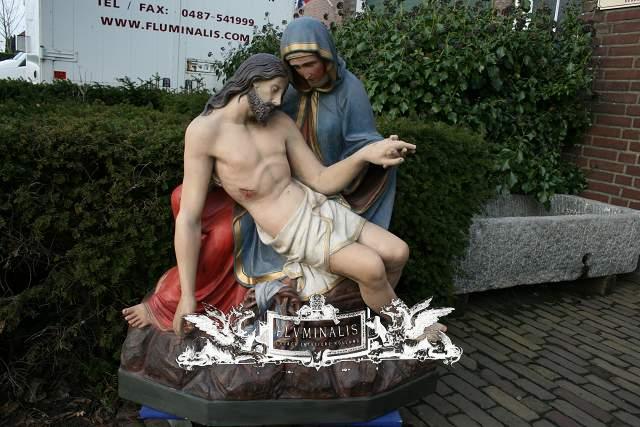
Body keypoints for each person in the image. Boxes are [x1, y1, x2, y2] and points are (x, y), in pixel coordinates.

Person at [125, 53, 415, 335]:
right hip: (291, 229)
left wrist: (366, 154)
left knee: (398, 252)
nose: (278, 101)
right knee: (371, 268)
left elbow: (321, 179)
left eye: (282, 93)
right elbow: (189, 218)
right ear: (252, 81)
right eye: (274, 90)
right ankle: (409, 328)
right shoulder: (205, 132)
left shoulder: (279, 123)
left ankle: (370, 324)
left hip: (316, 205)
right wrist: (188, 296)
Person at [233, 17, 399, 301]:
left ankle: (379, 315)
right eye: (296, 67)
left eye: (310, 64)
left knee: (395, 253)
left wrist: (379, 150)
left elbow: (361, 141)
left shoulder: (350, 89)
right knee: (370, 265)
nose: (305, 74)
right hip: (288, 193)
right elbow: (249, 137)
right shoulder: (281, 91)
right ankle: (397, 319)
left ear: (327, 57)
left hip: (331, 182)